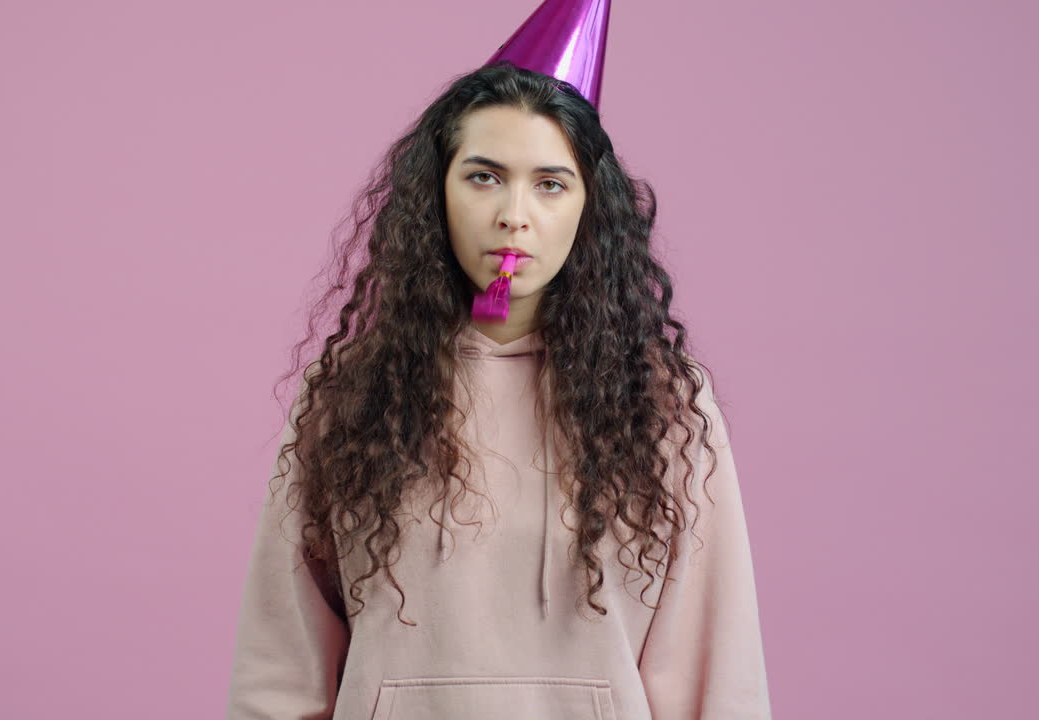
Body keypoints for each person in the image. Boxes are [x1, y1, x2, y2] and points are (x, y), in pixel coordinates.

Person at [225, 5, 773, 719]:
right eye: (484, 177)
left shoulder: (663, 403)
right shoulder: (352, 396)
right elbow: (283, 665)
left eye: (550, 183)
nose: (515, 214)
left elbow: (715, 672)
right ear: (437, 194)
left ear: (588, 208)